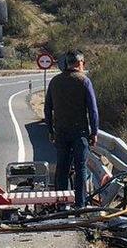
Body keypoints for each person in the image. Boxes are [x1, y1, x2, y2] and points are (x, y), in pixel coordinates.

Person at [43, 50, 99, 208]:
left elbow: (47, 109)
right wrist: (94, 132)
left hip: (60, 132)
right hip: (79, 132)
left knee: (62, 168)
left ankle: (61, 204)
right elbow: (93, 110)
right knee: (80, 167)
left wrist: (50, 130)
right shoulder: (84, 81)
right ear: (80, 63)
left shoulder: (55, 81)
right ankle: (79, 204)